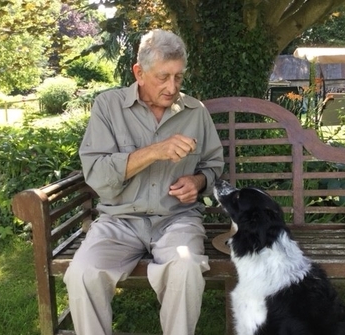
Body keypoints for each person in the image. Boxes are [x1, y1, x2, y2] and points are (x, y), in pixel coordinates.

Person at [64, 29, 224, 335]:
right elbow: (97, 173)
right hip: (118, 220)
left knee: (186, 268)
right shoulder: (108, 107)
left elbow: (213, 164)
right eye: (163, 77)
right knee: (84, 273)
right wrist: (154, 151)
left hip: (176, 219)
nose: (172, 87)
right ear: (139, 72)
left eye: (179, 77)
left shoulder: (195, 112)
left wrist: (198, 181)